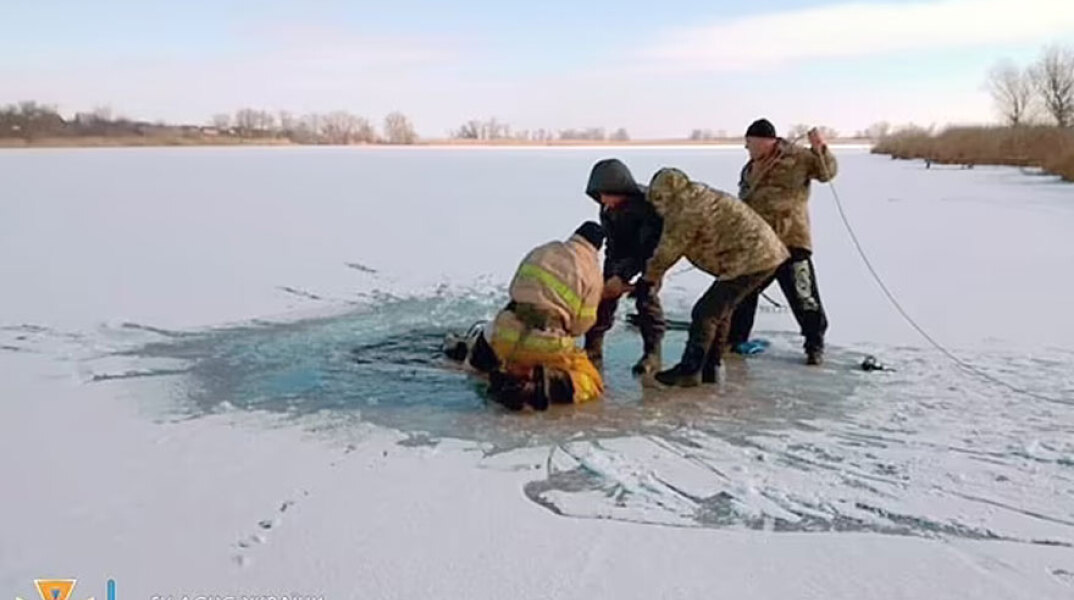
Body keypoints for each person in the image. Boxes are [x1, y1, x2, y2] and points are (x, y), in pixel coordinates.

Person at [633, 168, 789, 387]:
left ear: (667, 195)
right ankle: (711, 367)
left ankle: (690, 370)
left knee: (705, 313)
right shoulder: (694, 196)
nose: (657, 208)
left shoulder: (685, 209)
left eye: (658, 200)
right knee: (719, 312)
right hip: (760, 255)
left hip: (752, 259)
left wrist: (648, 279)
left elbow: (669, 250)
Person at [442, 222, 605, 410]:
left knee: (489, 337)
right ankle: (534, 389)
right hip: (545, 345)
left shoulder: (542, 251)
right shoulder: (592, 271)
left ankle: (484, 365)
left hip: (504, 334)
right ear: (597, 247)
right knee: (591, 381)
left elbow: (515, 289)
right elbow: (582, 325)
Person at [728, 118, 838, 365]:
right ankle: (735, 340)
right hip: (759, 245)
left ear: (766, 141)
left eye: (750, 143)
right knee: (742, 292)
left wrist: (821, 148)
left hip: (791, 242)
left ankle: (814, 345)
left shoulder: (798, 158)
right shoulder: (749, 169)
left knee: (804, 296)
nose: (747, 148)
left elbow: (826, 172)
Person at [582, 158, 667, 375]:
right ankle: (592, 347)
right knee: (604, 297)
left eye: (606, 195)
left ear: (620, 189)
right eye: (599, 196)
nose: (602, 200)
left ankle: (652, 353)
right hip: (621, 254)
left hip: (654, 254)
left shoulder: (648, 207)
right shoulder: (607, 208)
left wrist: (625, 275)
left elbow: (648, 248)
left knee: (646, 297)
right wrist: (612, 274)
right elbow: (613, 243)